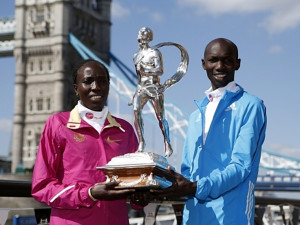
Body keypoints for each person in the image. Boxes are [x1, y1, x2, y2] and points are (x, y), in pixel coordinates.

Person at [153, 38, 267, 225]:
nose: (220, 66)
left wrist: (194, 187)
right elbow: (188, 170)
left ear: (237, 64)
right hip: (193, 216)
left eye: (227, 60)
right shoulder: (196, 114)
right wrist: (164, 185)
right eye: (213, 60)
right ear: (203, 64)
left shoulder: (251, 106)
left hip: (232, 216)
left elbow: (241, 166)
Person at [31, 59, 144, 225]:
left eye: (102, 81)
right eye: (87, 81)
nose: (96, 87)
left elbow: (136, 184)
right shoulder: (57, 124)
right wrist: (89, 193)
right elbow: (42, 187)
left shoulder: (125, 129)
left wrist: (140, 196)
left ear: (108, 86)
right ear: (76, 89)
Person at [131, 27, 173, 157]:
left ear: (149, 38)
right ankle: (141, 142)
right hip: (141, 87)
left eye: (143, 36)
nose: (141, 38)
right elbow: (138, 75)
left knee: (160, 117)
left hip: (154, 87)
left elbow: (160, 70)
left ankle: (167, 143)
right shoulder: (135, 56)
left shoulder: (154, 52)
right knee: (136, 111)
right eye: (139, 35)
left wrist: (146, 70)